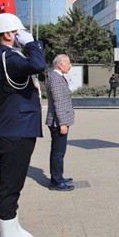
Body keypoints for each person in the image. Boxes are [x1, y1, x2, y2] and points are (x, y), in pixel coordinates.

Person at [0, 13, 45, 237]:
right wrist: (32, 43)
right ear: (8, 34)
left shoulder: (10, 56)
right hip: (14, 131)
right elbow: (37, 65)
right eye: (17, 32)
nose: (20, 36)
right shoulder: (8, 56)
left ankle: (14, 230)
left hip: (19, 128)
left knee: (16, 183)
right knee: (10, 186)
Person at [45, 54, 75, 192]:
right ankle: (56, 181)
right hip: (58, 122)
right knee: (58, 152)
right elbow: (58, 102)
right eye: (68, 63)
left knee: (59, 151)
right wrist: (62, 123)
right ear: (60, 65)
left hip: (60, 121)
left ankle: (59, 176)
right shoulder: (55, 79)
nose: (70, 65)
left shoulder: (57, 77)